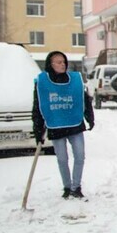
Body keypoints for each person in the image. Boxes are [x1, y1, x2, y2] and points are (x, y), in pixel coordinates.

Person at [32, 51, 95, 199]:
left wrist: (89, 118)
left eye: (63, 62)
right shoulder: (43, 83)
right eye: (58, 62)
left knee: (80, 156)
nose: (62, 65)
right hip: (56, 126)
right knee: (62, 159)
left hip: (75, 124)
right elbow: (38, 107)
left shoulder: (74, 81)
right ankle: (67, 187)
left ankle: (76, 186)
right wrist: (38, 130)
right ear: (50, 64)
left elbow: (84, 100)